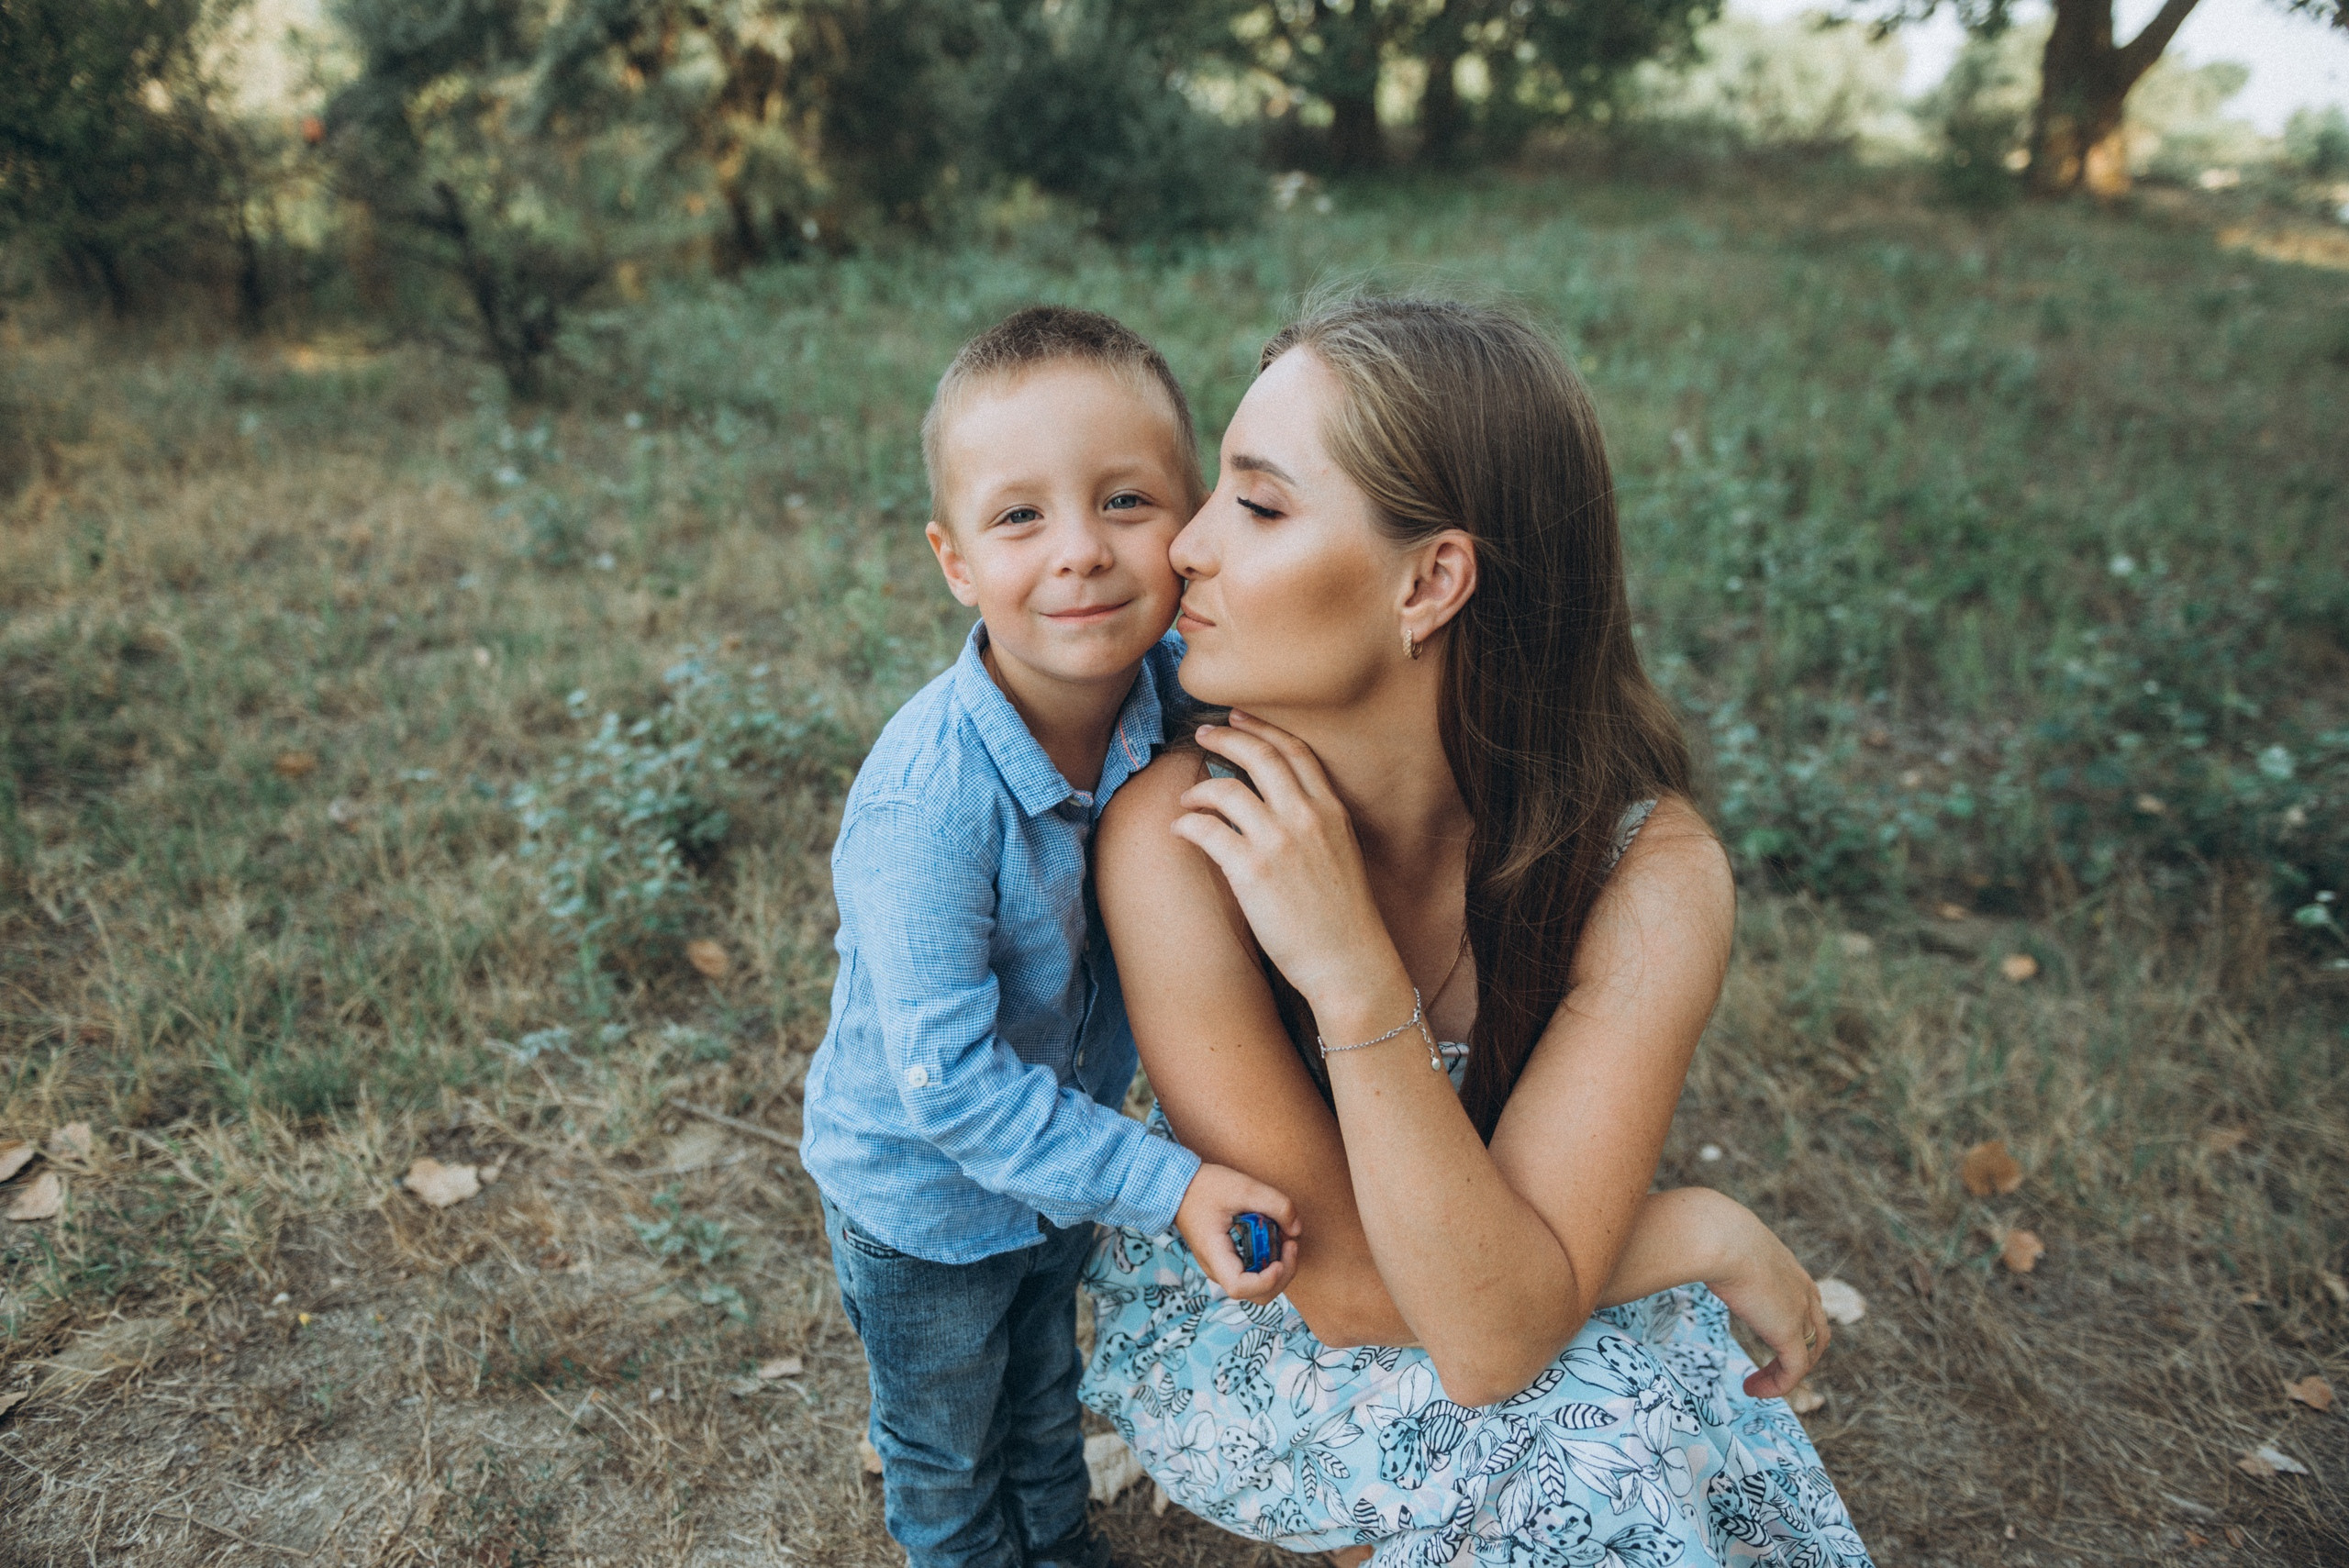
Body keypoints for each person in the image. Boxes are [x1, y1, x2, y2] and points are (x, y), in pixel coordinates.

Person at [1079, 296, 1874, 1567]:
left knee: (1592, 1428)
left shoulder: (1646, 872)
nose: (1185, 543)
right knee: (1579, 1433)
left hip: (1504, 1261)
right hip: (1275, 1315)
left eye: (1261, 505)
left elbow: (1496, 1319)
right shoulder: (1176, 836)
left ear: (1432, 579)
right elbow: (1347, 1290)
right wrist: (1698, 1229)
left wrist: (1349, 964)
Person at [797, 306, 1304, 1568]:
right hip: (920, 1200)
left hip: (1054, 1160)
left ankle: (1063, 1544)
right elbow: (951, 1088)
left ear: (1190, 524)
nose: (1079, 551)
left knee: (1041, 1391)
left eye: (1126, 500)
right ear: (954, 559)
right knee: (945, 1438)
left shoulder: (1170, 692)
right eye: (1020, 516)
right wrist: (1169, 1183)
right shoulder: (929, 803)